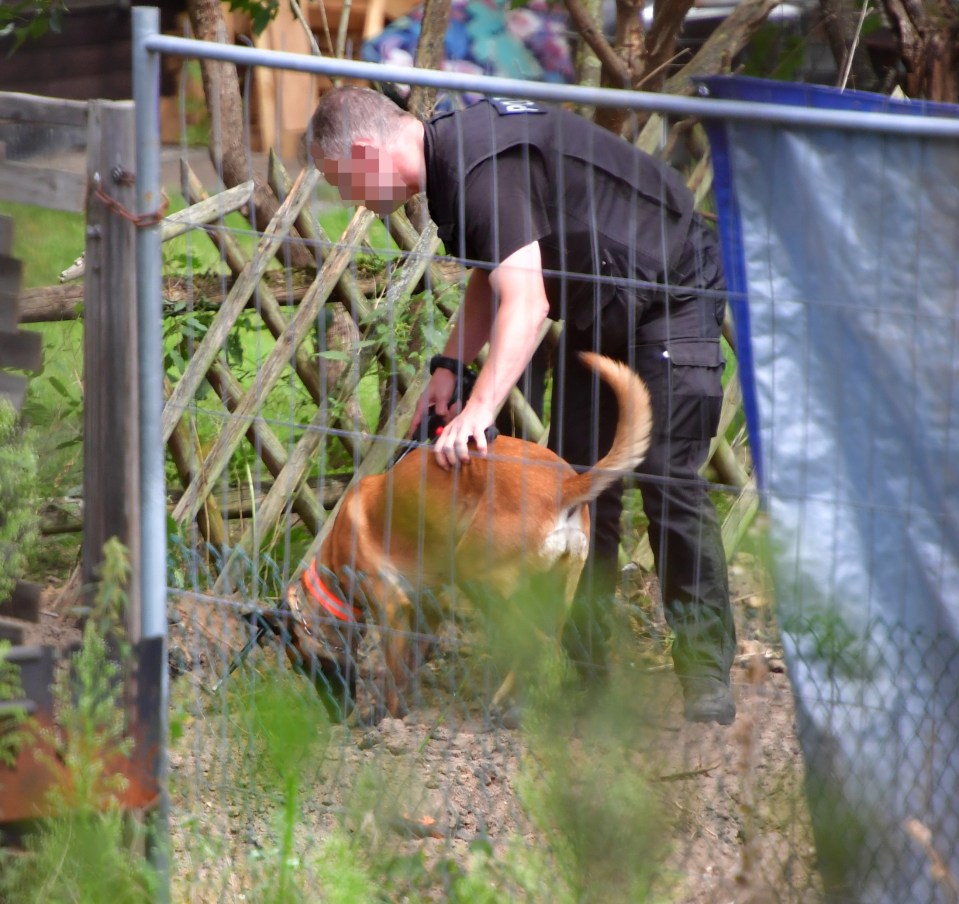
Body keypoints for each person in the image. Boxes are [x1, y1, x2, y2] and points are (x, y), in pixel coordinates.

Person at [309, 86, 737, 725]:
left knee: (668, 477)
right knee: (578, 485)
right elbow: (494, 272)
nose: (350, 201)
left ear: (368, 151)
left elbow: (528, 302)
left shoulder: (476, 167)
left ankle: (705, 674)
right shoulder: (451, 166)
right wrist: (451, 366)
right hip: (601, 298)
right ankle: (589, 678)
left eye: (343, 182)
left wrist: (481, 408)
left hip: (671, 281)